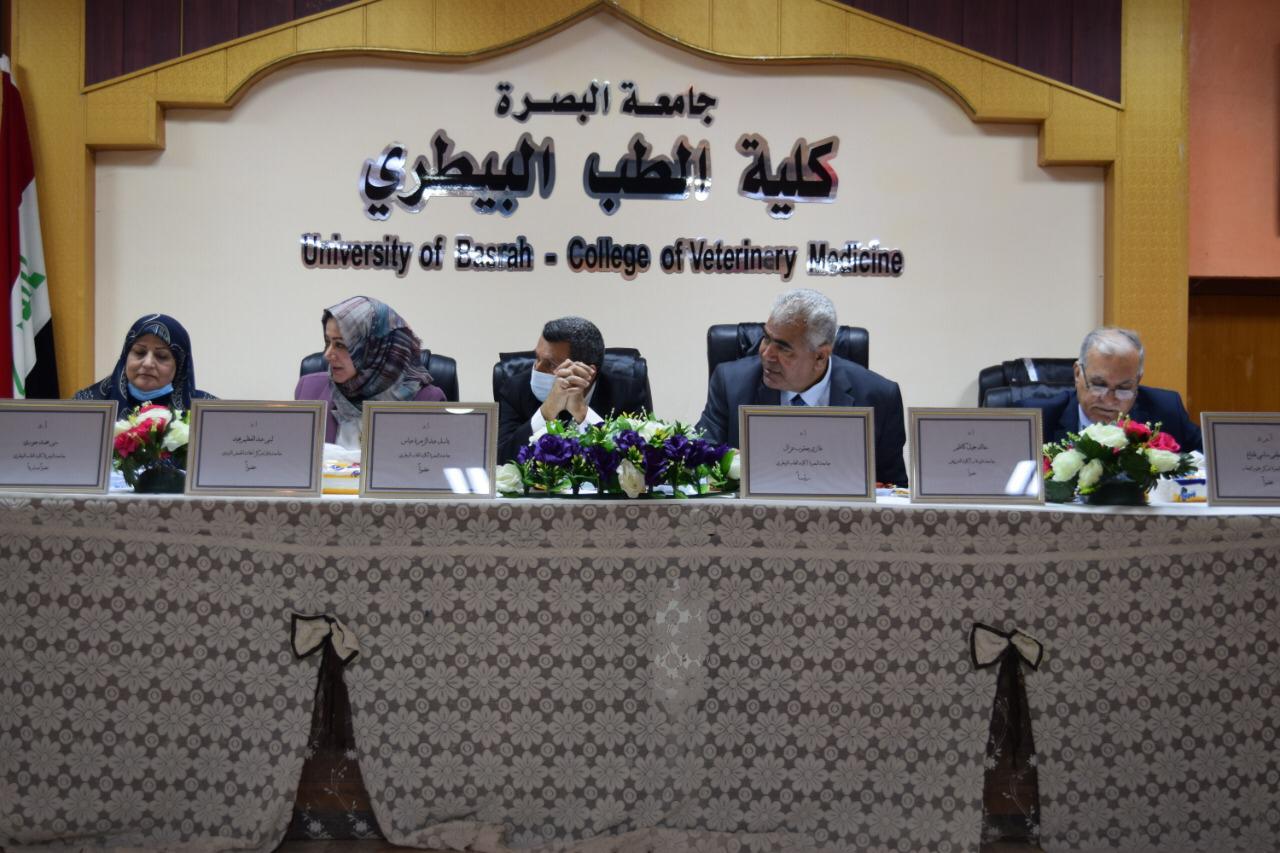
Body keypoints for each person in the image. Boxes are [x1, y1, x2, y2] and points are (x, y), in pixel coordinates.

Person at [696, 288, 909, 487]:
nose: (766, 354)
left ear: (820, 356)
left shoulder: (880, 398)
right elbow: (699, 462)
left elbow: (893, 489)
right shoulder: (731, 383)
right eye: (766, 338)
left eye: (783, 348)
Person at [496, 316, 653, 463]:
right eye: (537, 358)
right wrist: (546, 412)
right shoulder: (515, 388)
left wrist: (583, 414)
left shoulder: (627, 392)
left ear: (587, 373)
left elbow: (637, 463)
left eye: (551, 364)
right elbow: (499, 459)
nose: (537, 369)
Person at [294, 295, 444, 447]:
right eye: (328, 342)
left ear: (376, 349)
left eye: (340, 345)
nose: (327, 355)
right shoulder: (309, 390)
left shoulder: (426, 401)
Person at [1021, 326, 1202, 452]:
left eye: (1124, 388)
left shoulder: (1166, 410)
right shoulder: (1037, 419)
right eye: (1099, 385)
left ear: (1137, 381)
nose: (1109, 400)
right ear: (1077, 374)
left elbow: (1209, 458)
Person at [73, 313, 215, 409]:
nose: (147, 363)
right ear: (125, 356)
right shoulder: (86, 406)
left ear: (179, 366)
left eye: (161, 356)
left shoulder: (207, 412)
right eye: (139, 352)